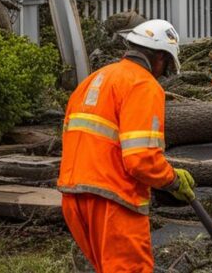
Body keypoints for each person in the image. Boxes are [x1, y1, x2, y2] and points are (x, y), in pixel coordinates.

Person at [57, 19, 196, 272]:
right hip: (113, 200)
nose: (160, 75)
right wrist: (172, 180)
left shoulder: (93, 80)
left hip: (74, 197)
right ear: (160, 58)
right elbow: (141, 158)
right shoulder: (143, 84)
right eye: (163, 69)